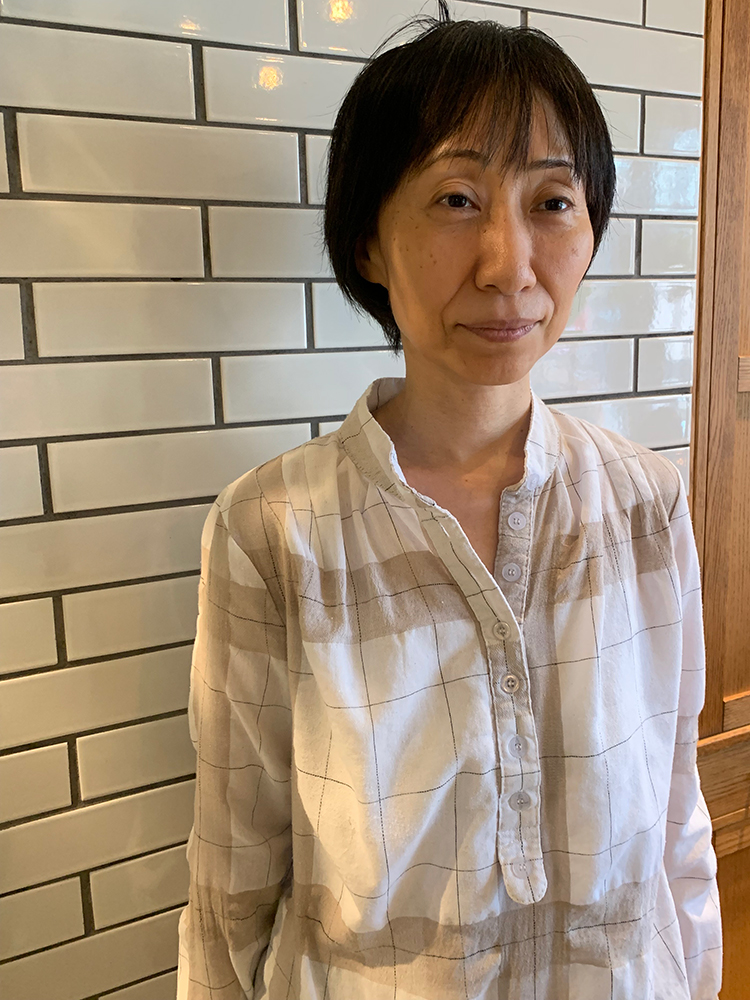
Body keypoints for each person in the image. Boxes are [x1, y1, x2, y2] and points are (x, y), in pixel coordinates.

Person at [176, 4, 722, 998]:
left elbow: (677, 817)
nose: (508, 266)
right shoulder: (272, 530)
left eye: (552, 202)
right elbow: (232, 879)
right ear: (370, 242)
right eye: (458, 199)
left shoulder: (647, 503)